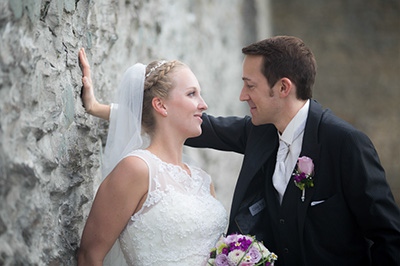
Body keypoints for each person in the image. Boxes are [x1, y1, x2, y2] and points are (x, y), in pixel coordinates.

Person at [81, 35, 400, 265]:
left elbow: (389, 237)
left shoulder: (346, 143)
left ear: (283, 88)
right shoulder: (260, 133)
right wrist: (102, 109)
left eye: (250, 85)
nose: (241, 95)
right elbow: (185, 123)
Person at [77, 48, 227, 265]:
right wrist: (94, 107)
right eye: (191, 93)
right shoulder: (136, 169)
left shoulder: (203, 180)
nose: (203, 104)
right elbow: (89, 256)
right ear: (160, 105)